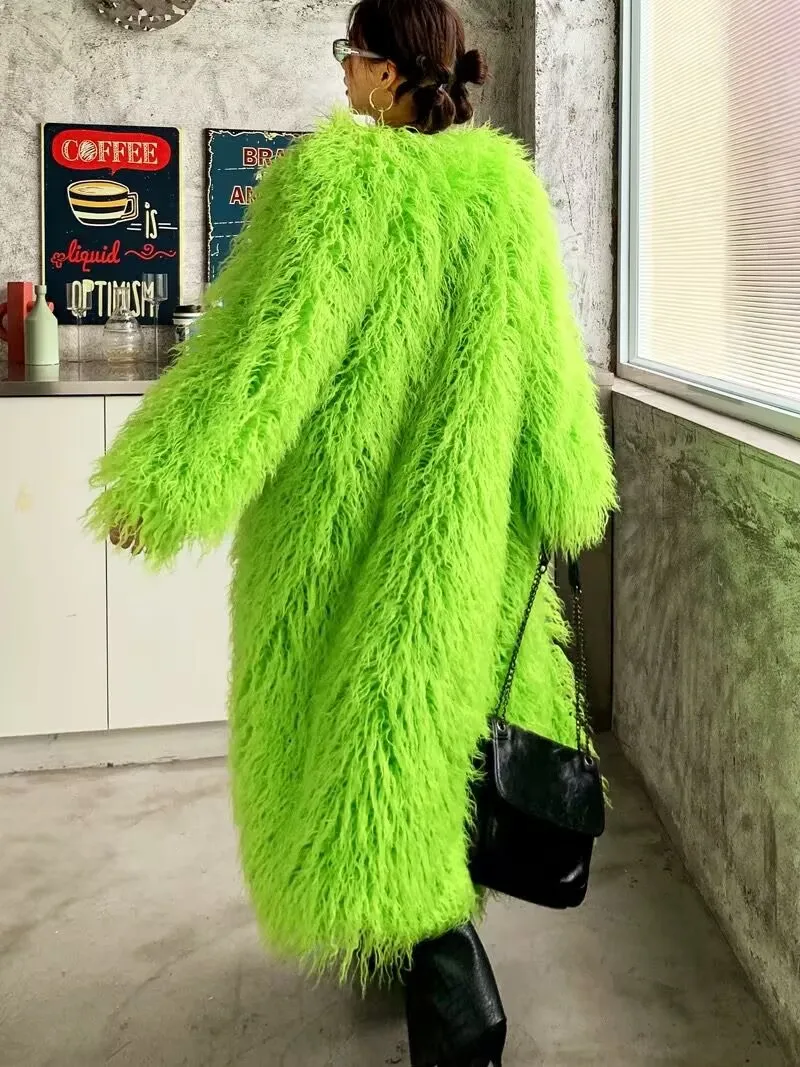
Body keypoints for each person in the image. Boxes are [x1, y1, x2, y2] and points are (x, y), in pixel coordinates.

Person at [89, 1, 616, 1063]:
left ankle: (445, 974)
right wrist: (566, 486)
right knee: (429, 735)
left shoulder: (327, 187)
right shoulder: (504, 196)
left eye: (350, 54)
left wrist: (165, 483)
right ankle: (399, 938)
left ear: (384, 74)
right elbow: (551, 365)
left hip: (335, 529)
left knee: (354, 741)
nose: (341, 73)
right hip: (463, 530)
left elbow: (259, 363)